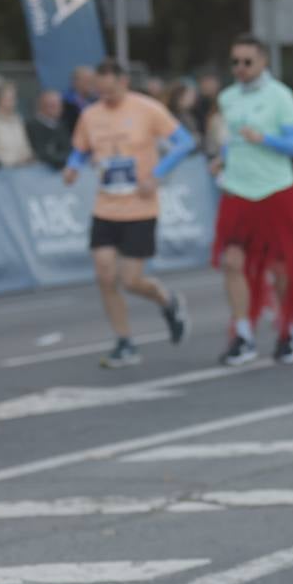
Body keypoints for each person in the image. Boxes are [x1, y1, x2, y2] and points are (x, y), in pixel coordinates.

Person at [63, 58, 196, 367]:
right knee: (105, 276)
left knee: (131, 280)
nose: (106, 98)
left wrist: (157, 175)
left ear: (123, 82)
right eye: (101, 92)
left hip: (140, 207)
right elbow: (80, 148)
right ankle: (124, 342)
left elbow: (184, 142)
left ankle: (168, 300)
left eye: (111, 91)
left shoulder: (147, 109)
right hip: (105, 206)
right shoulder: (90, 114)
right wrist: (72, 167)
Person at [211, 34, 293, 365]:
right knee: (232, 262)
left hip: (275, 191)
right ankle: (242, 333)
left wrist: (264, 138)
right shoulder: (227, 98)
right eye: (235, 62)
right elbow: (229, 140)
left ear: (263, 62)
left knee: (281, 267)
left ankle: (288, 328)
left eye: (247, 62)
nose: (239, 68)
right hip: (238, 191)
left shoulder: (280, 97)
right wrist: (222, 158)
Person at [0, 81, 34, 168]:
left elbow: (25, 145)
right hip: (3, 172)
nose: (14, 102)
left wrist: (28, 157)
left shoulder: (18, 119)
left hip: (24, 168)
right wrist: (15, 161)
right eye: (10, 99)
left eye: (14, 98)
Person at [26, 90, 72, 171]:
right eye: (52, 106)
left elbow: (69, 147)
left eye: (59, 105)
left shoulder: (60, 124)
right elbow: (43, 153)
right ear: (42, 106)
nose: (58, 109)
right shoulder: (32, 126)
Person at [61, 65, 98, 134]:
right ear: (75, 82)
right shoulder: (64, 103)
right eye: (87, 80)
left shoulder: (98, 101)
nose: (91, 83)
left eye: (92, 80)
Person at [165, 81, 202, 146]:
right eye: (189, 95)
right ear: (179, 97)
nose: (193, 98)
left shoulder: (189, 114)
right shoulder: (170, 116)